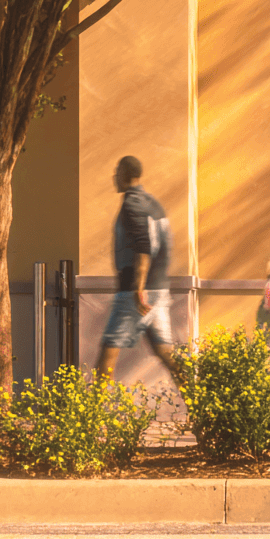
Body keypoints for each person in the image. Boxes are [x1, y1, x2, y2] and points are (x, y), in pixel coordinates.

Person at [95, 156, 179, 383]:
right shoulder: (153, 203)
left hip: (134, 292)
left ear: (125, 173)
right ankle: (199, 400)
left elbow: (144, 247)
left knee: (108, 352)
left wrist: (138, 288)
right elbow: (164, 245)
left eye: (117, 171)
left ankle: (93, 405)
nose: (114, 176)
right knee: (166, 353)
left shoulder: (132, 204)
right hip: (158, 290)